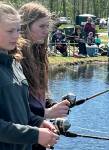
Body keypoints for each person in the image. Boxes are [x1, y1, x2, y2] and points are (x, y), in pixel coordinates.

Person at [0, 2, 59, 150]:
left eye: (18, 30)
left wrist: (38, 122)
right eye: (10, 31)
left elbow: (23, 112)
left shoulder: (15, 63)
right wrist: (35, 135)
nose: (16, 36)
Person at [19, 2, 70, 150]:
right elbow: (14, 106)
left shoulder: (38, 54)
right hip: (23, 137)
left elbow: (36, 95)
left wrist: (50, 104)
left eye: (47, 26)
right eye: (42, 26)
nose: (46, 31)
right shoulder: (16, 59)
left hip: (38, 132)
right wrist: (46, 113)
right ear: (25, 26)